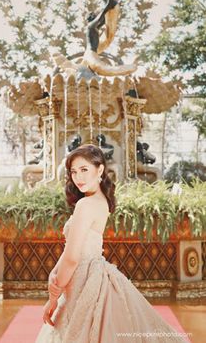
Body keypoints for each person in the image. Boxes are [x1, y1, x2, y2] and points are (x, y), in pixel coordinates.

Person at [35, 144, 188, 343]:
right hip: (93, 275)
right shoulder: (101, 201)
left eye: (84, 170)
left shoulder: (85, 205)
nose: (78, 177)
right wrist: (54, 274)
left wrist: (53, 297)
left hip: (83, 281)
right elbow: (72, 250)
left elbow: (73, 258)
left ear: (99, 170)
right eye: (73, 172)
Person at [81, 0, 138, 76]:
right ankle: (130, 68)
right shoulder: (91, 25)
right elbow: (105, 10)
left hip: (92, 53)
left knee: (87, 72)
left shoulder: (94, 27)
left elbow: (104, 20)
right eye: (94, 15)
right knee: (105, 69)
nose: (95, 15)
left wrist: (110, 10)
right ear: (91, 18)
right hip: (91, 54)